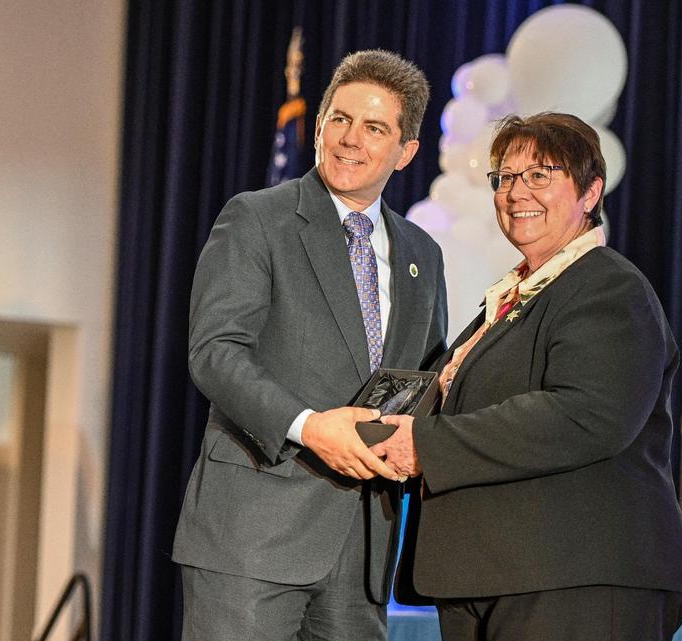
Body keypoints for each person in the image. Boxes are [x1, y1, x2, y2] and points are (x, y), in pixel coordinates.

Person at [374, 112, 682, 641]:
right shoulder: (514, 297)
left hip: (578, 579)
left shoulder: (608, 287)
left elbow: (584, 415)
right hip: (498, 575)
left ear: (590, 192)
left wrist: (426, 445)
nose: (516, 191)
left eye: (540, 175)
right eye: (504, 177)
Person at [173, 50, 448, 640]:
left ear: (406, 152)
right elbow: (216, 352)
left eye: (374, 127)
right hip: (251, 541)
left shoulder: (424, 254)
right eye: (339, 119)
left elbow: (425, 378)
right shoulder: (257, 219)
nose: (350, 139)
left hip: (364, 548)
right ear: (319, 124)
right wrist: (308, 425)